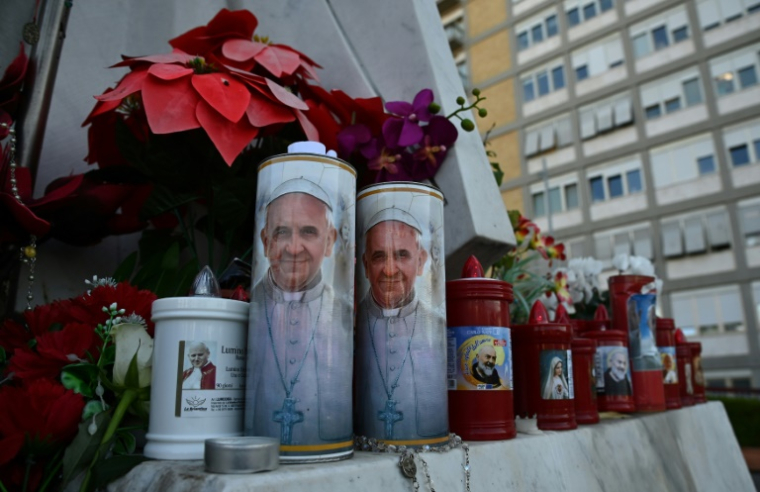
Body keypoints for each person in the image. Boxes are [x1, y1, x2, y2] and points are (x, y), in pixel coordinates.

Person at [246, 178, 353, 447]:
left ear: (329, 241)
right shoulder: (248, 307)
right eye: (282, 232)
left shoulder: (345, 314)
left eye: (308, 232)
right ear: (265, 240)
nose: (293, 248)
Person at [355, 208, 448, 441]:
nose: (389, 270)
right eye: (378, 257)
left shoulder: (436, 327)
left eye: (401, 255)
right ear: (365, 265)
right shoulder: (349, 323)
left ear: (420, 261)